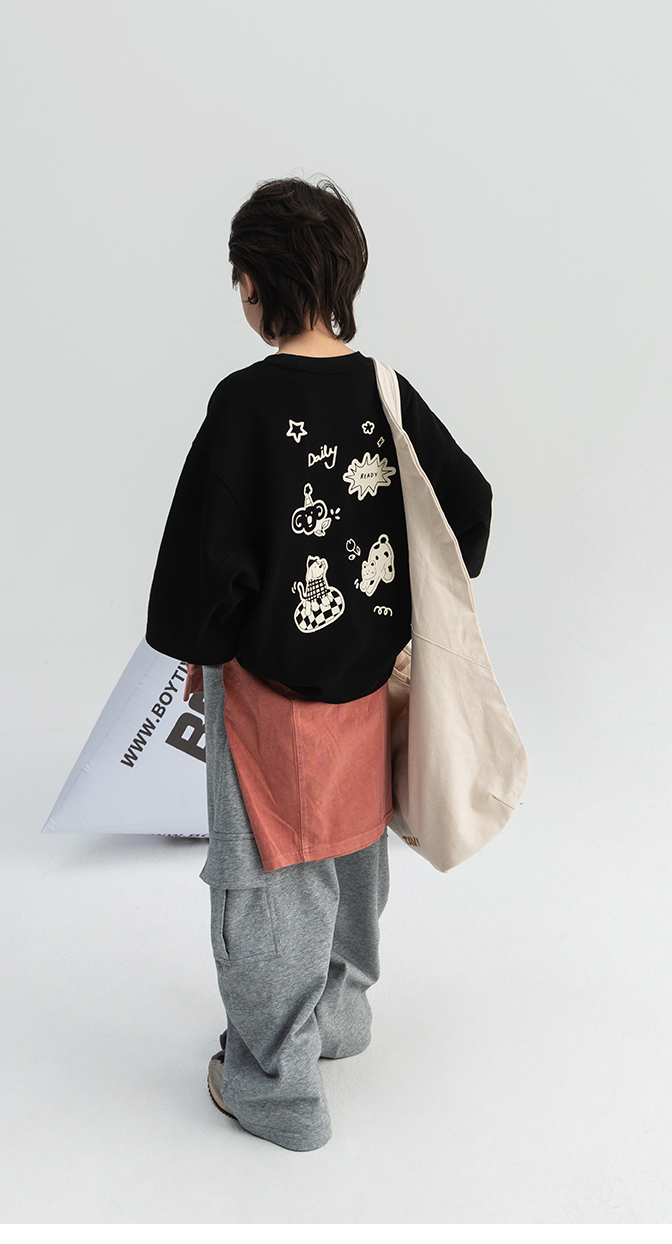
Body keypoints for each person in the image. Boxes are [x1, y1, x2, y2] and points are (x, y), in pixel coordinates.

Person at [145, 177, 493, 1151]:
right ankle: (338, 1017)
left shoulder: (245, 404)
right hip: (365, 684)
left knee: (267, 884)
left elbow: (207, 558)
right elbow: (466, 510)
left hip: (269, 693)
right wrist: (394, 610)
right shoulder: (385, 390)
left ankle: (276, 1088)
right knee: (350, 851)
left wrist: (201, 647)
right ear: (342, 278)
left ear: (254, 283)